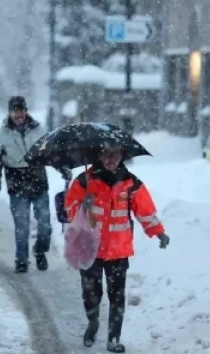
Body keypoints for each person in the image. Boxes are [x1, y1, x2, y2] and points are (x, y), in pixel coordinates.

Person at [64, 144, 170, 353]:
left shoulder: (131, 183)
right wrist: (81, 206)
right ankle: (93, 322)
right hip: (89, 248)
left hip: (119, 250)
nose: (111, 158)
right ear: (99, 155)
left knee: (117, 296)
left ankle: (114, 338)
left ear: (122, 156)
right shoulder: (85, 180)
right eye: (106, 153)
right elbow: (69, 207)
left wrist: (158, 231)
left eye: (116, 154)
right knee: (91, 293)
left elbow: (145, 211)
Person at [0, 96, 69, 273]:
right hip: (16, 183)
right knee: (22, 225)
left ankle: (40, 251)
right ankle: (22, 260)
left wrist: (62, 167)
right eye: (15, 111)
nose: (19, 114)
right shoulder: (2, 134)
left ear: (26, 111)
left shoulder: (39, 130)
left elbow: (51, 153)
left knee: (45, 223)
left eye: (22, 110)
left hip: (38, 180)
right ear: (10, 112)